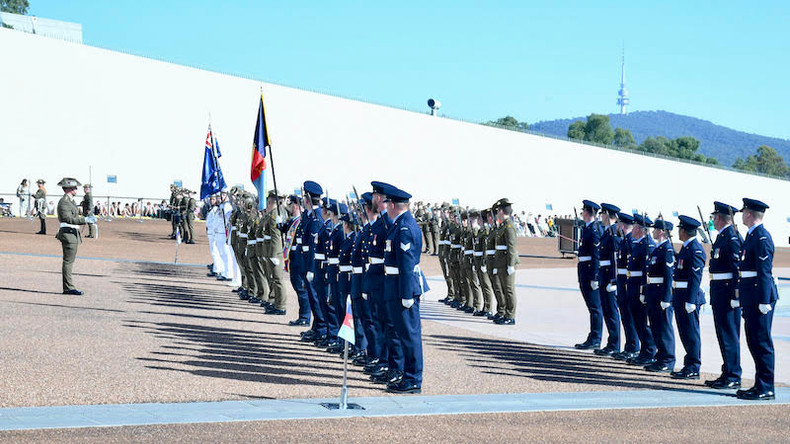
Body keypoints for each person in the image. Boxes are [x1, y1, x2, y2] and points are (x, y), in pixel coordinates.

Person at [381, 183, 427, 394]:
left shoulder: (405, 227)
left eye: (386, 203)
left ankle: (413, 379)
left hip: (403, 288)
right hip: (396, 286)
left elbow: (407, 264)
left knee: (409, 336)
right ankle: (407, 376)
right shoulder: (400, 224)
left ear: (392, 205)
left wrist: (407, 294)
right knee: (403, 334)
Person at [736, 198, 777, 401]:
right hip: (751, 295)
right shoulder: (752, 236)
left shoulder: (761, 238)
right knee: (753, 340)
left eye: (744, 212)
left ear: (749, 214)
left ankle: (767, 386)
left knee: (762, 342)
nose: (742, 215)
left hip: (759, 296)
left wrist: (763, 300)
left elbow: (764, 273)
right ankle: (759, 383)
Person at [704, 201, 743, 390]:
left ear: (719, 218)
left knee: (729, 335)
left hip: (727, 293)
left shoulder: (732, 237)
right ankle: (727, 372)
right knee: (723, 334)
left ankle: (734, 374)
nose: (713, 220)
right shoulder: (722, 236)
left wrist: (736, 294)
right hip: (719, 292)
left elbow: (737, 268)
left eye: (714, 218)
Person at [671, 215, 706, 380]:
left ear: (684, 231)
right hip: (680, 295)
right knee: (685, 333)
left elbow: (695, 277)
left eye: (680, 229)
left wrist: (691, 300)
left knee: (691, 334)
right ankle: (688, 365)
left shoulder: (695, 249)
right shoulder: (686, 248)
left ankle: (693, 367)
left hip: (688, 297)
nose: (679, 232)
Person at [643, 218, 675, 373]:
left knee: (664, 328)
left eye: (655, 229)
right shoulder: (658, 248)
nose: (653, 231)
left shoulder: (667, 249)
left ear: (661, 232)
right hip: (653, 292)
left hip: (660, 292)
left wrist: (666, 298)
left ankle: (667, 359)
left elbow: (669, 276)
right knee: (655, 326)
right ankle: (660, 357)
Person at [626, 214, 657, 366]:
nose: (632, 229)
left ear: (639, 229)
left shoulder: (647, 245)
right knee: (638, 321)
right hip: (632, 287)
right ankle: (644, 351)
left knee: (643, 322)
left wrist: (643, 291)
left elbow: (646, 272)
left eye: (634, 227)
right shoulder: (639, 244)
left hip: (638, 288)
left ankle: (649, 351)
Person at [55, 177, 93, 295]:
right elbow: (67, 218)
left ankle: (68, 286)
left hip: (72, 233)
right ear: (69, 189)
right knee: (68, 262)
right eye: (74, 187)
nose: (76, 189)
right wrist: (84, 219)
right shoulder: (64, 201)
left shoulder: (70, 201)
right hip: (68, 233)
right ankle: (68, 287)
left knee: (69, 261)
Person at [594, 203, 621, 356]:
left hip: (609, 276)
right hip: (604, 274)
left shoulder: (614, 233)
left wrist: (613, 280)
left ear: (607, 215)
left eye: (602, 214)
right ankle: (611, 342)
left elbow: (616, 259)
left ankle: (614, 344)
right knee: (606, 310)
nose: (600, 217)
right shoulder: (608, 231)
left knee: (611, 311)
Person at [575, 200, 602, 348]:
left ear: (587, 212)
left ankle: (595, 338)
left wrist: (595, 277)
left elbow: (596, 255)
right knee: (592, 307)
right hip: (584, 270)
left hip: (590, 271)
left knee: (595, 308)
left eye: (583, 211)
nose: (582, 214)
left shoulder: (594, 230)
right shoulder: (588, 228)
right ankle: (593, 336)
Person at [612, 212, 639, 361]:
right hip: (622, 282)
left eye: (617, 224)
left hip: (628, 283)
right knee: (625, 316)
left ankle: (633, 347)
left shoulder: (631, 242)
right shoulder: (624, 240)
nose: (616, 226)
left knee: (629, 316)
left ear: (622, 225)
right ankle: (629, 346)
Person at [494, 198, 519, 325]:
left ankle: (511, 315)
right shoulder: (503, 225)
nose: (497, 213)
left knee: (509, 289)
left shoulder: (509, 226)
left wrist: (511, 264)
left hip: (507, 262)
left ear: (502, 211)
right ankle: (505, 314)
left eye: (498, 210)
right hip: (501, 261)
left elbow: (511, 247)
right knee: (504, 289)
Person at [261, 191, 288, 315]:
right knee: (273, 278)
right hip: (269, 249)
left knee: (278, 279)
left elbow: (276, 236)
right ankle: (276, 303)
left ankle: (281, 306)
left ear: (270, 201)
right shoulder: (272, 213)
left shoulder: (277, 213)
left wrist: (274, 253)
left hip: (275, 251)